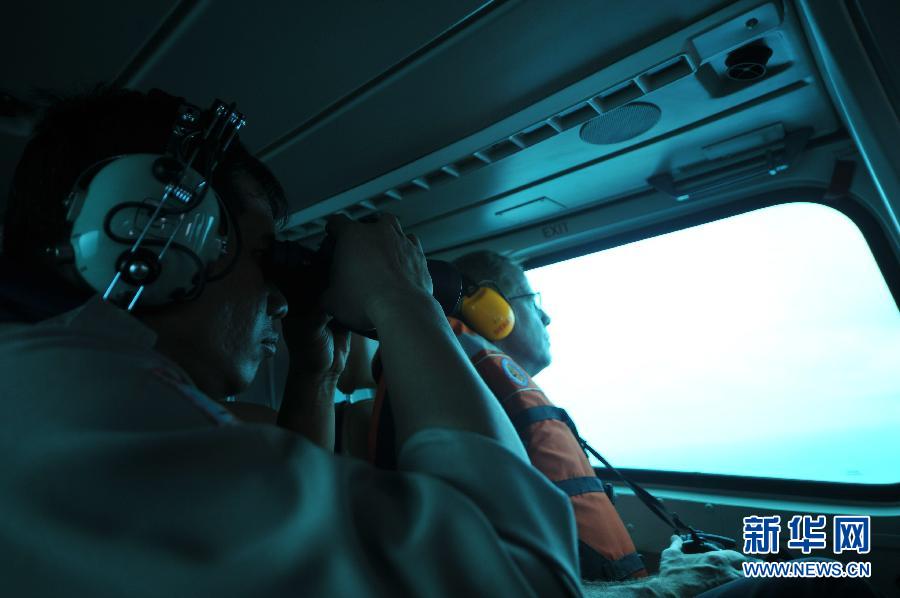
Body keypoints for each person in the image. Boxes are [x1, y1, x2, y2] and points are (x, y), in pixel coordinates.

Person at [0, 88, 581, 596]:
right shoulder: (80, 407)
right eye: (263, 255)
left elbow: (288, 532)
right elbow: (516, 576)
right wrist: (403, 297)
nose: (279, 301)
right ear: (145, 236)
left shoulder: (51, 392)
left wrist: (314, 373)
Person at [450, 250, 882, 598]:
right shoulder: (466, 413)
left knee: (808, 568)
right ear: (490, 309)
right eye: (533, 301)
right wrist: (664, 587)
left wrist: (669, 573)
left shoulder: (494, 400)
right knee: (820, 582)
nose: (547, 318)